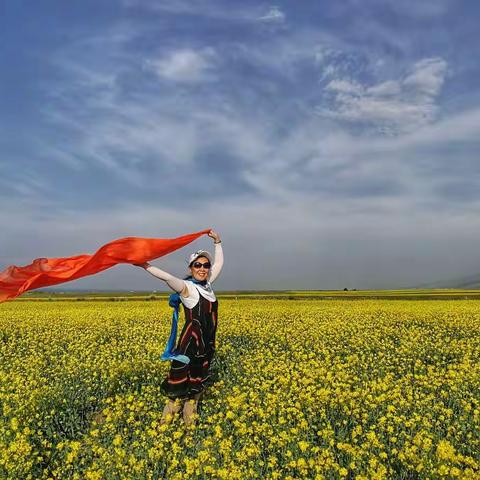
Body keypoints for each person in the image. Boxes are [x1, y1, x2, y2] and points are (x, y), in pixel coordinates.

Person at [135, 230, 223, 426]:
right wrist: (144, 265)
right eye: (197, 265)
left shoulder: (208, 285)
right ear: (191, 268)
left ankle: (189, 423)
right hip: (190, 345)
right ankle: (165, 425)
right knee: (178, 386)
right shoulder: (187, 288)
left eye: (205, 265)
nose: (203, 268)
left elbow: (219, 264)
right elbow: (166, 277)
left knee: (197, 384)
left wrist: (218, 242)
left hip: (206, 345)